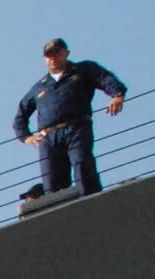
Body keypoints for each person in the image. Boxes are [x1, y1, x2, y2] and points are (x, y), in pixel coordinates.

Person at [15, 38, 128, 198]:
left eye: (57, 53)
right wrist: (27, 137)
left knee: (83, 167)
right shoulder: (40, 86)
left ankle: (92, 203)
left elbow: (104, 78)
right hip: (48, 137)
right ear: (44, 59)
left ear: (66, 54)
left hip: (76, 128)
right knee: (52, 182)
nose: (53, 58)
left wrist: (117, 95)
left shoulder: (82, 70)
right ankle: (60, 215)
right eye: (49, 55)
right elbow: (20, 117)